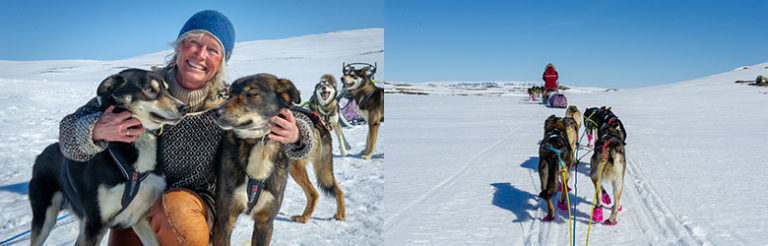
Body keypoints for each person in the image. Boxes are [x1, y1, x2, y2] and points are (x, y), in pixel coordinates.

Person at [58, 10, 314, 246]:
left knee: (177, 213)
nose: (200, 54)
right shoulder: (142, 87)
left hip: (194, 204)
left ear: (222, 61)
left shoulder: (228, 100)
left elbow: (297, 114)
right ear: (178, 47)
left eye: (213, 49)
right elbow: (68, 134)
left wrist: (297, 133)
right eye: (194, 43)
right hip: (133, 201)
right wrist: (95, 130)